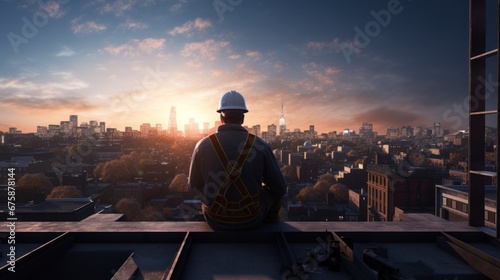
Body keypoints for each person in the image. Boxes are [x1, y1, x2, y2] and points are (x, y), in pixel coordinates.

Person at [188, 90, 287, 230]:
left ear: (221, 117)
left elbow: (193, 187)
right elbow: (280, 187)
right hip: (252, 218)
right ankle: (271, 222)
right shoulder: (260, 145)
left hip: (216, 219)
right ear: (242, 119)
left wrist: (212, 197)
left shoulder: (202, 146)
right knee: (272, 190)